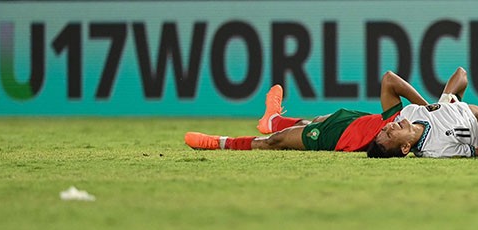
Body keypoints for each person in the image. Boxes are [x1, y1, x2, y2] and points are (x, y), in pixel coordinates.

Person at [184, 69, 439, 152]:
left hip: (340, 138)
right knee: (314, 121)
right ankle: (273, 119)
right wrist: (427, 107)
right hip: (354, 120)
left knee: (277, 141)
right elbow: (389, 79)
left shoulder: (414, 141)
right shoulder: (403, 118)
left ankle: (219, 143)